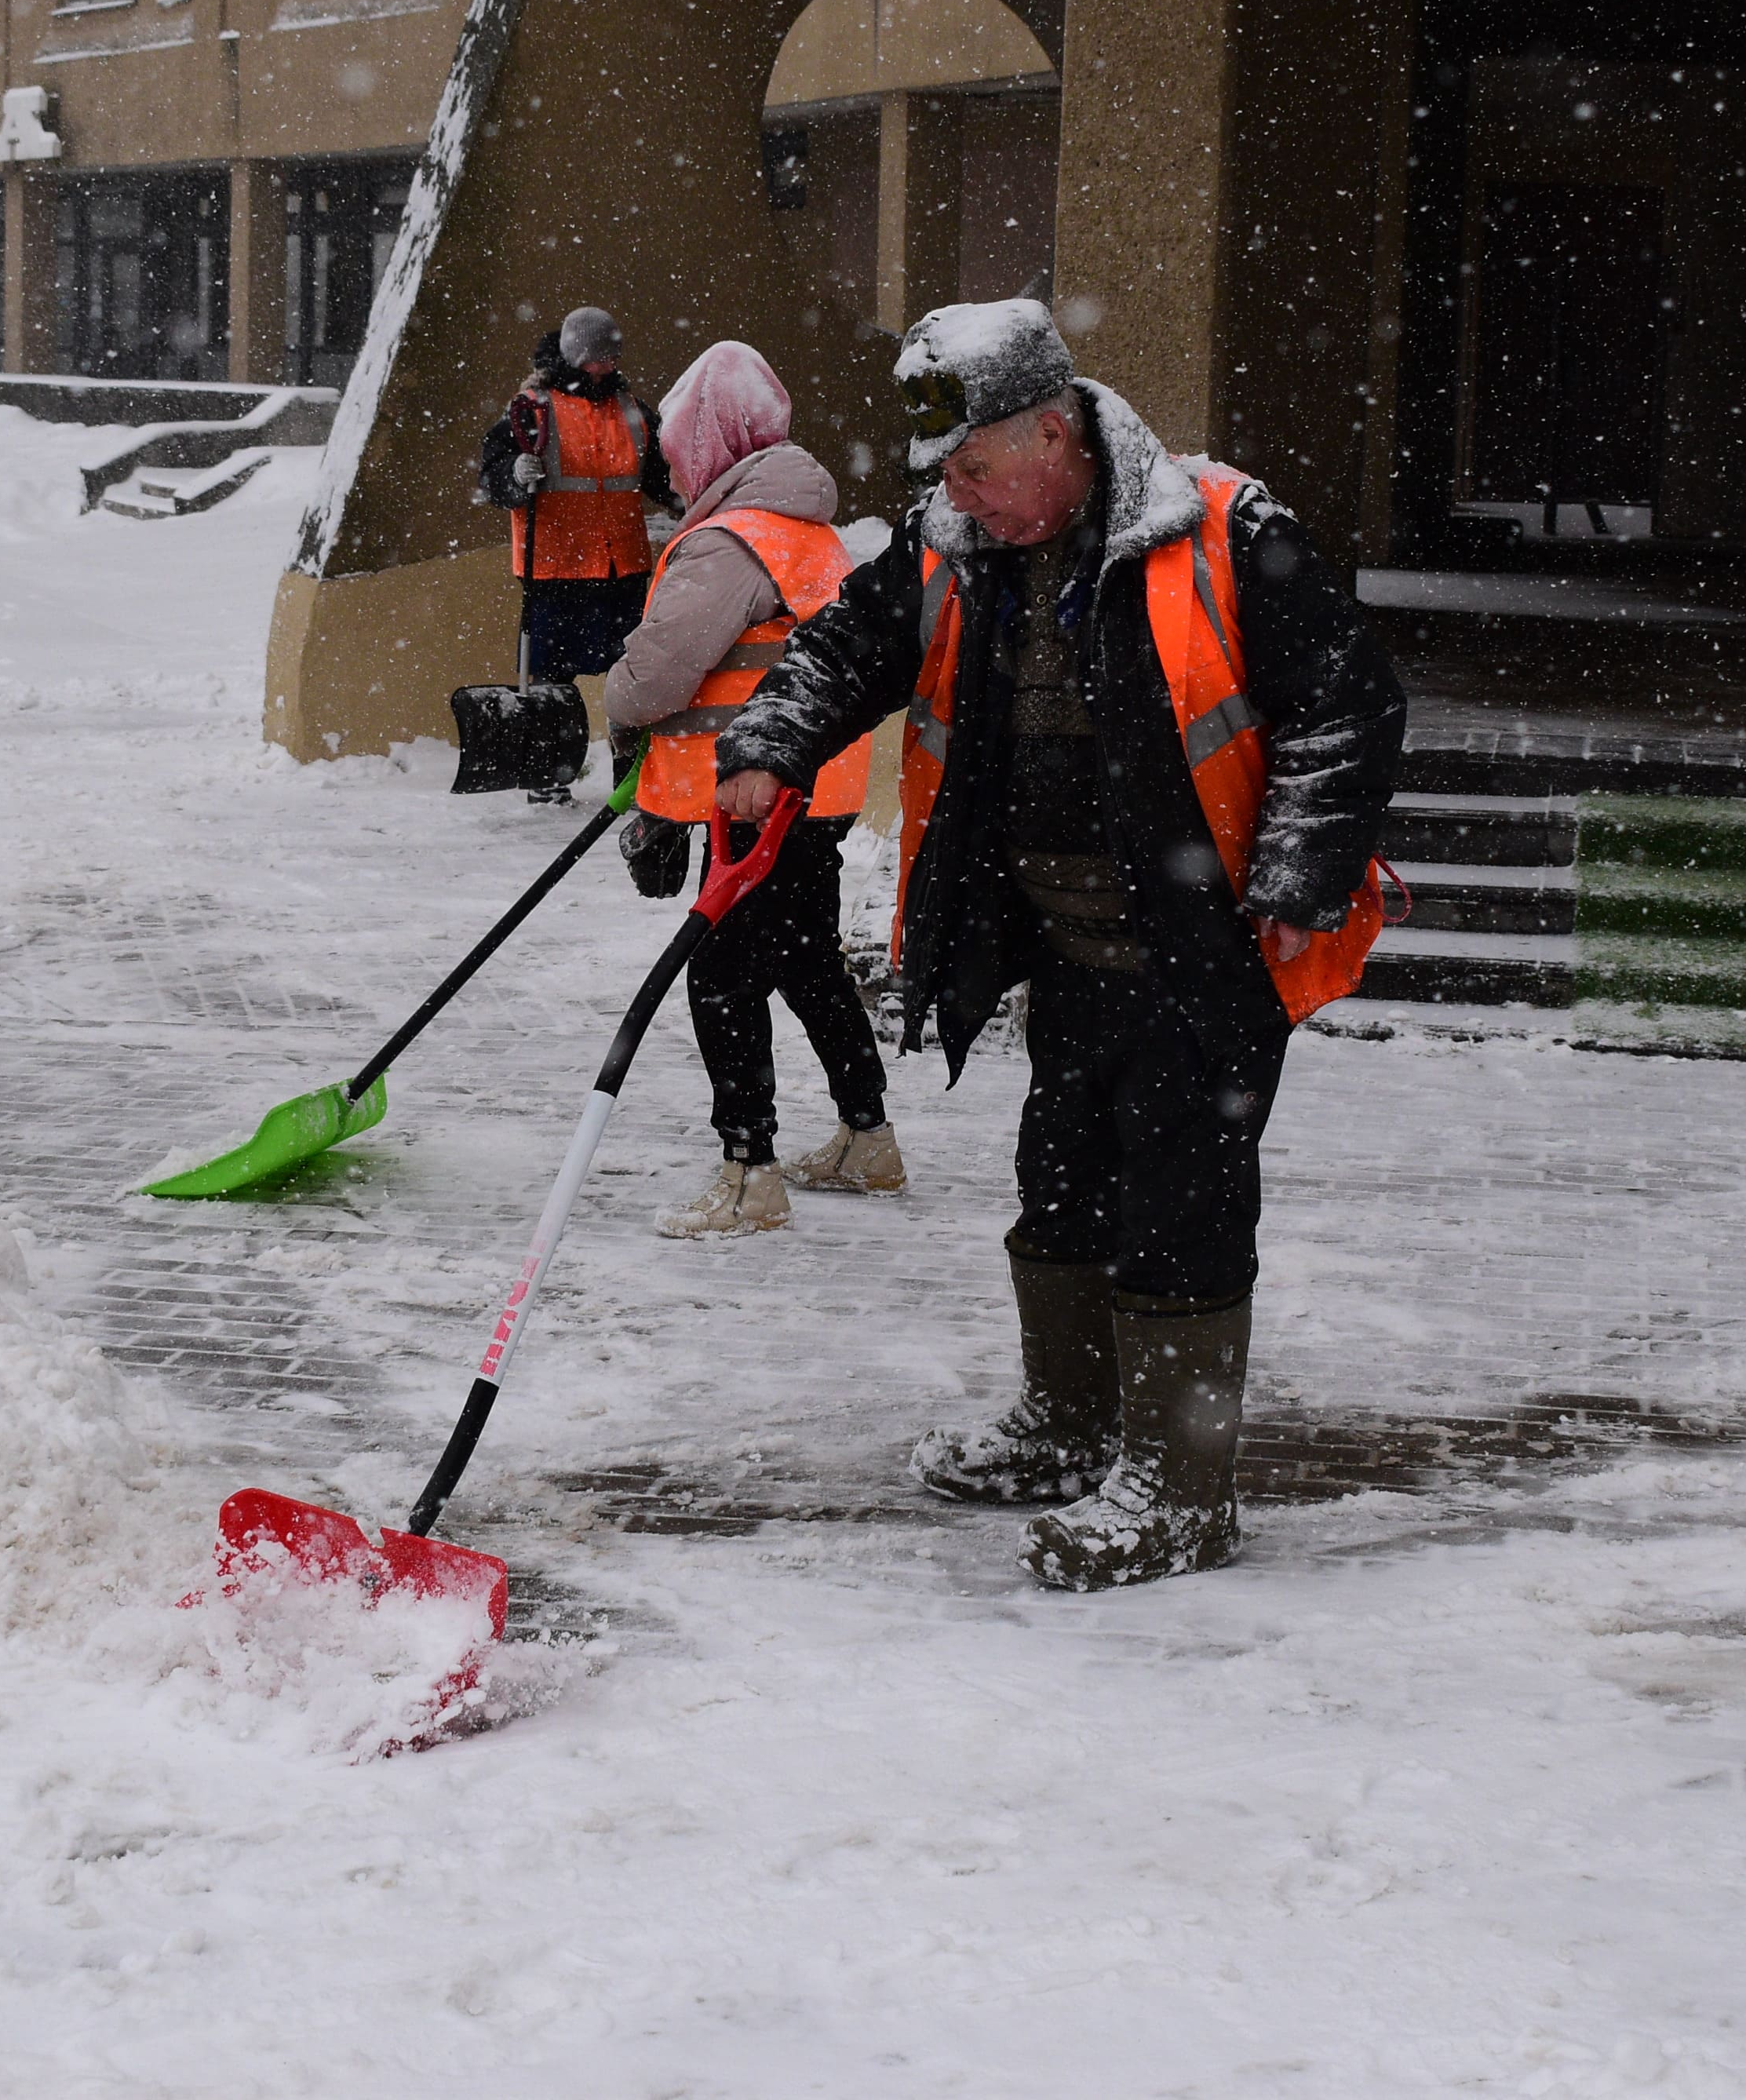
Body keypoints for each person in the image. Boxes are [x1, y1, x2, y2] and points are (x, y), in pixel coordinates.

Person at [710, 298, 1409, 1589]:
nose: (960, 496)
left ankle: (1182, 1488)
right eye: (946, 478)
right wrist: (765, 745)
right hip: (1064, 947)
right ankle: (1070, 1424)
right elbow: (842, 650)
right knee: (1063, 1177)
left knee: (1179, 1205)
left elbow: (1348, 703)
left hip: (1207, 953)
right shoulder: (953, 548)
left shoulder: (1223, 531)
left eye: (977, 468)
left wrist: (1299, 870)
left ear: (1050, 431)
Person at [602, 341, 902, 1238]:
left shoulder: (730, 542)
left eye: (677, 441)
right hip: (817, 786)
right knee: (805, 958)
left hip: (746, 797)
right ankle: (866, 1134)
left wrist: (619, 711)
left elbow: (655, 676)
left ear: (708, 443)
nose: (667, 460)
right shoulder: (810, 534)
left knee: (723, 973)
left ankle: (747, 1171)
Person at [475, 305, 677, 796]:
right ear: (575, 356)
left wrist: (683, 501)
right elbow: (493, 477)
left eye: (613, 356)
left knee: (632, 680)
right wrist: (514, 476)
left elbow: (657, 473)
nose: (608, 365)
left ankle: (632, 781)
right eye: (597, 357)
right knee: (550, 681)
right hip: (554, 567)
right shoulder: (532, 407)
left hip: (621, 567)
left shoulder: (631, 409)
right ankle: (547, 778)